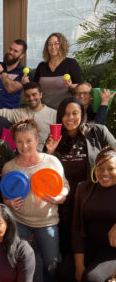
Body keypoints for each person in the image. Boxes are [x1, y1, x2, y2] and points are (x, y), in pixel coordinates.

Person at [2, 119, 69, 282]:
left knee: (51, 263)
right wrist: (8, 203)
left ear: (37, 140)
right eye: (19, 142)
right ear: (14, 142)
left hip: (47, 221)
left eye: (28, 141)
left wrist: (61, 197)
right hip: (19, 220)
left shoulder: (51, 161)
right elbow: (5, 194)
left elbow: (64, 186)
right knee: (21, 261)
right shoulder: (10, 166)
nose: (24, 146)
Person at [56, 147, 116, 282]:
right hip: (89, 244)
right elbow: (76, 227)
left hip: (111, 250)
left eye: (111, 168)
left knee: (93, 279)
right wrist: (79, 264)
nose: (104, 173)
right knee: (65, 271)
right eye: (100, 168)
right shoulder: (84, 188)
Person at [44, 97, 116, 256]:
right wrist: (49, 152)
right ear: (60, 117)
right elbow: (43, 173)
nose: (70, 118)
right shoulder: (55, 139)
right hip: (63, 203)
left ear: (82, 114)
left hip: (91, 200)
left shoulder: (97, 131)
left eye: (75, 113)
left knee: (91, 244)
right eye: (65, 114)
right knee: (66, 248)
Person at [0, 82, 56, 151]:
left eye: (34, 95)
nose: (31, 98)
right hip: (24, 156)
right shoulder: (19, 113)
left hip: (46, 156)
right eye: (28, 96)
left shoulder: (54, 114)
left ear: (40, 94)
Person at [33, 33, 82, 109]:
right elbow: (34, 88)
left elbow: (80, 87)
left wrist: (70, 86)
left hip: (65, 110)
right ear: (47, 48)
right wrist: (26, 83)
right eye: (50, 44)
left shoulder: (71, 63)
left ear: (62, 45)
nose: (53, 47)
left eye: (56, 44)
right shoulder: (41, 66)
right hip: (43, 110)